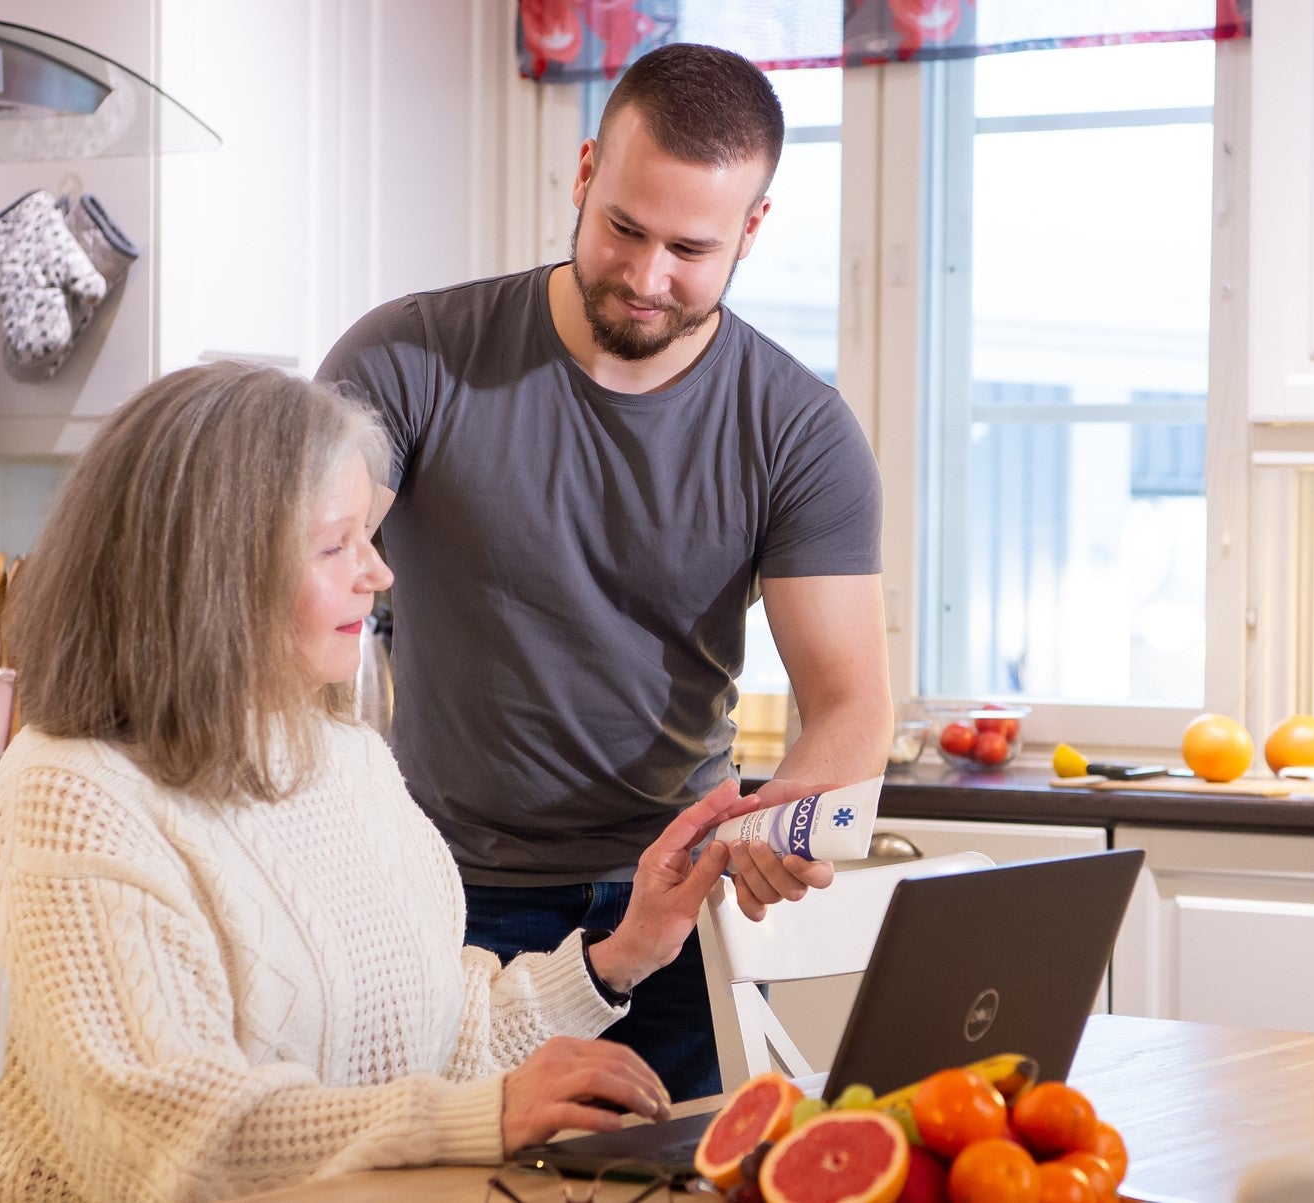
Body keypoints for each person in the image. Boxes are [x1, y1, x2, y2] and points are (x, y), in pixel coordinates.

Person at [0, 361, 783, 1201]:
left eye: (368, 538)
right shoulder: (70, 797)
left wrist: (621, 953)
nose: (377, 573)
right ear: (214, 574)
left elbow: (446, 1042)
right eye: (333, 543)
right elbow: (176, 1138)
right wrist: (474, 1116)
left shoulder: (343, 760)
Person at [318, 42, 893, 1103]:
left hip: (672, 899)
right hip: (436, 895)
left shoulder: (798, 432)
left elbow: (852, 700)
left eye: (689, 246)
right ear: (583, 175)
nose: (645, 275)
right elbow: (294, 580)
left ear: (752, 231)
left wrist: (785, 822)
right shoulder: (409, 360)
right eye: (624, 228)